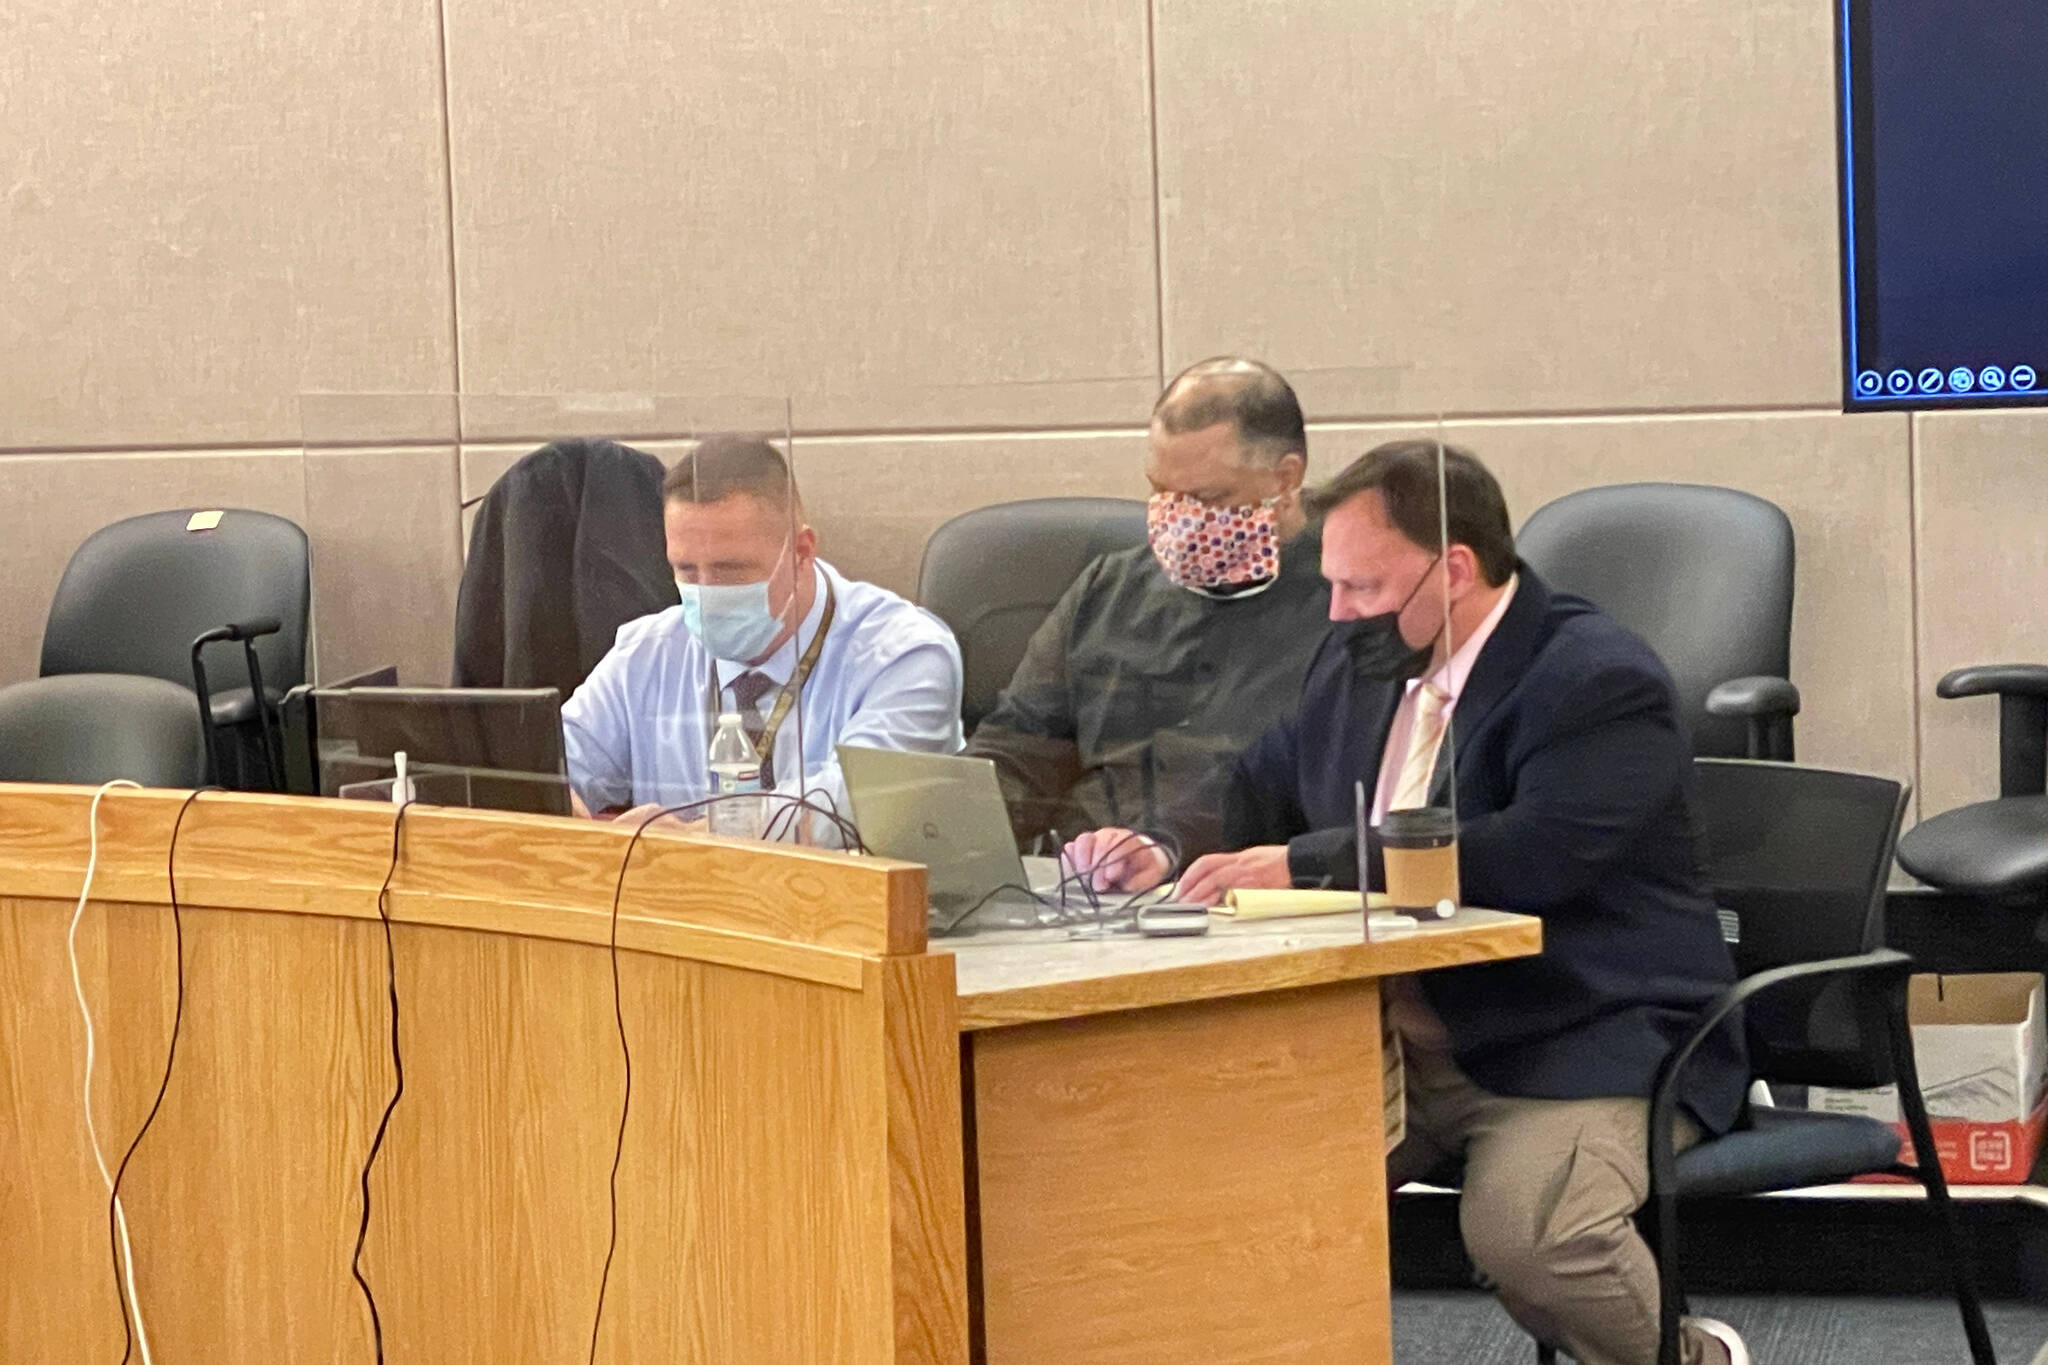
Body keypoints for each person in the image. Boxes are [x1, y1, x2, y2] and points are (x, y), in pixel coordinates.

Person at [1067, 441, 1752, 1365]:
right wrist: (1158, 842)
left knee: (1534, 1236)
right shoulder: (1362, 663)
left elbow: (1527, 857)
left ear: (1456, 568)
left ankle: (1696, 1359)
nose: (1339, 610)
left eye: (1362, 587)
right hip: (1395, 1040)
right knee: (1224, 1205)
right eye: (1335, 586)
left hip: (1583, 1032)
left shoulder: (1595, 678)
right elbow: (1257, 777)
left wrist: (1305, 866)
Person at [966, 357, 1331, 857]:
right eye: (1160, 491)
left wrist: (1157, 849)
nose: (1178, 519)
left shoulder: (1349, 601)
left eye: (1206, 496)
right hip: (1076, 877)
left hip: (1231, 891)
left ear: (1285, 479)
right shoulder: (1108, 588)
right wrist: (941, 833)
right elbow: (1018, 751)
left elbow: (1315, 797)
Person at [563, 434, 964, 839]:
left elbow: (862, 804)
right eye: (686, 569)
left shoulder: (906, 654)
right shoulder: (647, 653)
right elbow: (550, 769)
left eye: (730, 570)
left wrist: (700, 839)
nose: (706, 590)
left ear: (802, 552)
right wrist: (557, 808)